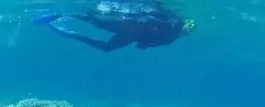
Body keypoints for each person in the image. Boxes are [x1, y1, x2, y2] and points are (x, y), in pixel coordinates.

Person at [34, 1, 195, 52]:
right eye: (187, 30)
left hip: (132, 35)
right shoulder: (173, 22)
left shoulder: (172, 37)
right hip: (130, 26)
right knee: (95, 20)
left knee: (106, 47)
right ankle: (61, 16)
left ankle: (66, 32)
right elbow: (153, 18)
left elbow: (154, 40)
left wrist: (145, 43)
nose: (186, 33)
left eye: (188, 33)